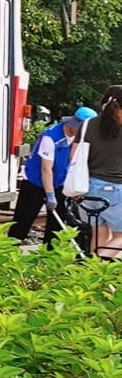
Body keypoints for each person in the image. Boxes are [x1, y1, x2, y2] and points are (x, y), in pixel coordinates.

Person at [8, 106, 96, 246]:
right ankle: (8, 252)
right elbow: (46, 169)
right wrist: (50, 194)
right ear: (75, 124)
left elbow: (74, 163)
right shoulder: (51, 137)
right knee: (22, 221)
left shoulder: (77, 138)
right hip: (34, 183)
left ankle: (50, 257)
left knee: (57, 226)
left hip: (59, 182)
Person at [84, 86, 122, 258]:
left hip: (89, 188)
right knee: (120, 237)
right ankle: (98, 262)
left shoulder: (87, 124)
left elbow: (74, 157)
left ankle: (92, 279)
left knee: (99, 236)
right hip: (115, 190)